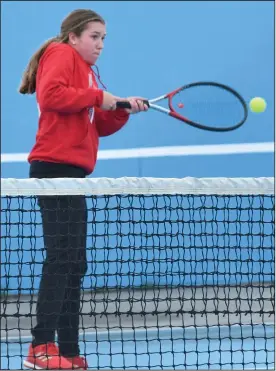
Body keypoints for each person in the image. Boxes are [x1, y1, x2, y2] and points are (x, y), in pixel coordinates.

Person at [19, 8, 148, 370]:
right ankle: (40, 347)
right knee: (62, 259)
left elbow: (98, 124)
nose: (100, 44)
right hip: (53, 169)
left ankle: (69, 351)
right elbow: (51, 96)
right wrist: (99, 98)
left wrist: (122, 109)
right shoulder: (60, 54)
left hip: (73, 173)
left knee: (75, 263)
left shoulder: (89, 75)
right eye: (94, 36)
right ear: (73, 36)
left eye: (104, 38)